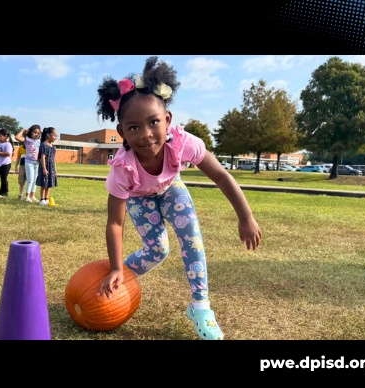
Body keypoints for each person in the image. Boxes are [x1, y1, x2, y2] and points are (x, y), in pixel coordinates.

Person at [95, 56, 262, 340]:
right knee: (158, 251)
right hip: (139, 198)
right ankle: (115, 277)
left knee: (191, 238)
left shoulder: (185, 144)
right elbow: (115, 223)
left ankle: (200, 307)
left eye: (153, 122)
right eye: (133, 128)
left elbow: (222, 177)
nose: (146, 134)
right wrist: (114, 267)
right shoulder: (122, 170)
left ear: (168, 120)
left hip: (172, 188)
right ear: (121, 132)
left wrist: (245, 216)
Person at [14, 125, 43, 203]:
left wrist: (42, 132)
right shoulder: (27, 139)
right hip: (29, 162)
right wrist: (23, 131)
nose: (36, 134)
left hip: (37, 162)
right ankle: (27, 196)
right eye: (35, 132)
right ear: (31, 132)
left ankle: (32, 195)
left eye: (38, 133)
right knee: (30, 179)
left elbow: (47, 136)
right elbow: (17, 137)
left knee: (35, 180)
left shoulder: (39, 141)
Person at [36, 127, 59, 206]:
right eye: (54, 135)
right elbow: (42, 157)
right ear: (48, 135)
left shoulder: (53, 147)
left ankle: (46, 198)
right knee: (44, 183)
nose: (55, 137)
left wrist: (55, 170)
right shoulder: (43, 145)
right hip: (45, 166)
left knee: (49, 184)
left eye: (56, 136)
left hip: (51, 167)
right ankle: (42, 199)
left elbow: (54, 159)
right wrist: (44, 168)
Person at [13, 134, 27, 199]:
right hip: (22, 166)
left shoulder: (32, 147)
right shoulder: (21, 147)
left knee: (30, 181)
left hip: (30, 165)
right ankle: (21, 194)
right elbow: (18, 157)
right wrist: (16, 166)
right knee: (21, 181)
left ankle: (29, 195)